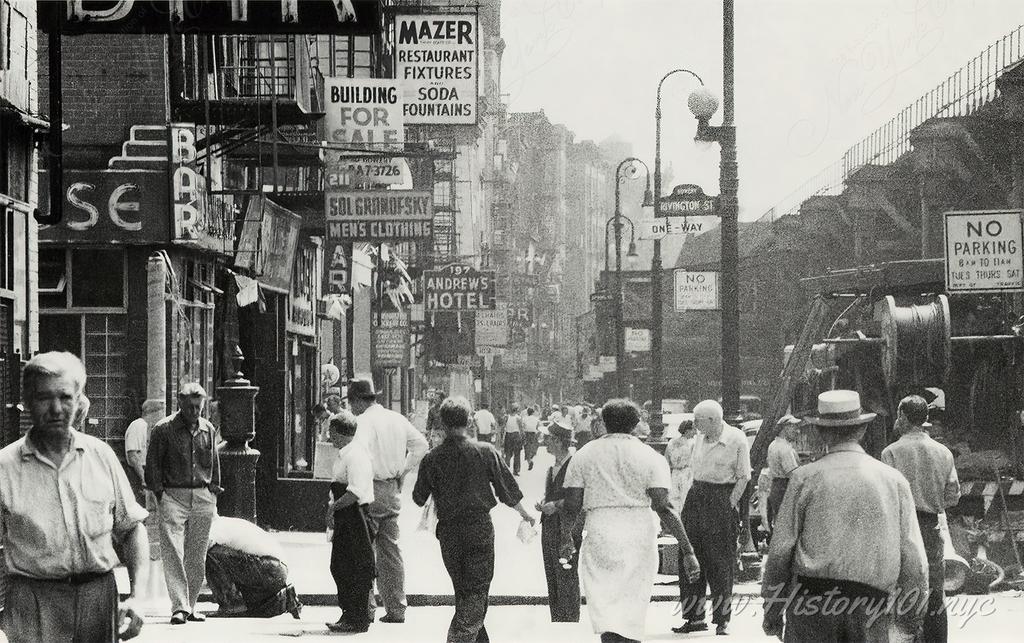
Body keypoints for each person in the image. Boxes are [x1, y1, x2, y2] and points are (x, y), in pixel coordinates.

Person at [0, 351, 148, 642]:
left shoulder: (101, 456)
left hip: (99, 599)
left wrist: (138, 597)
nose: (56, 408)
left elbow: (131, 529)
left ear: (78, 400)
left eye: (65, 397)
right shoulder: (5, 467)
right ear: (28, 401)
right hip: (34, 605)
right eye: (44, 398)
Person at [762, 390, 928, 642]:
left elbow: (779, 554)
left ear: (820, 432)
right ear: (861, 431)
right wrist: (908, 621)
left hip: (811, 609)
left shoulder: (804, 479)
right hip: (871, 609)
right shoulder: (894, 481)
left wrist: (772, 612)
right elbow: (914, 560)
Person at [561, 399, 700, 643]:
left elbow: (572, 504)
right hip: (639, 531)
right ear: (636, 424)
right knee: (632, 610)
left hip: (600, 529)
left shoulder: (584, 455)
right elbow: (664, 506)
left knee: (605, 606)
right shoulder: (650, 456)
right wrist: (687, 550)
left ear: (603, 422)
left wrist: (566, 538)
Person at [413, 396, 536, 643]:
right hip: (479, 529)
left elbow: (418, 497)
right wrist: (525, 514)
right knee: (476, 589)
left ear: (442, 423)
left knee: (464, 590)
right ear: (469, 421)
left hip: (448, 532)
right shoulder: (486, 452)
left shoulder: (432, 458)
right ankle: (459, 638)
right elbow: (507, 491)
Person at [348, 378, 429, 624]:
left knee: (362, 552)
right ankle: (396, 607)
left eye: (351, 402)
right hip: (391, 489)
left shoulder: (360, 423)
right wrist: (403, 472)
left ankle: (366, 608)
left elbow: (356, 457)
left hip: (368, 488)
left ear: (358, 401)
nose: (351, 408)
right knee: (391, 551)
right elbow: (421, 445)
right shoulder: (396, 419)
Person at [881, 395, 960, 643]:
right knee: (935, 592)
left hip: (901, 527)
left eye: (897, 414)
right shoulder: (943, 452)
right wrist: (932, 501)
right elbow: (953, 496)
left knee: (900, 589)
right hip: (931, 526)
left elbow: (885, 497)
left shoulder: (891, 452)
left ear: (903, 417)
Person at [146, 382, 223, 625]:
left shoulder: (207, 429)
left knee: (197, 554)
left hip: (202, 495)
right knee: (173, 552)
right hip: (173, 495)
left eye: (198, 407)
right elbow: (153, 465)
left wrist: (213, 492)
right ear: (179, 403)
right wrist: (160, 494)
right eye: (189, 406)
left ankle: (191, 605)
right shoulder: (163, 429)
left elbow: (213, 461)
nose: (194, 412)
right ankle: (179, 606)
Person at [674, 399, 750, 636]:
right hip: (696, 496)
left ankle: (722, 619)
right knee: (688, 556)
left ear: (713, 420)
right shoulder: (698, 438)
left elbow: (744, 477)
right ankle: (694, 616)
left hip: (721, 496)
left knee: (721, 561)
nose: (694, 424)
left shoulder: (736, 438)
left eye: (698, 420)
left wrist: (729, 504)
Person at [325, 410, 376, 634]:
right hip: (347, 514)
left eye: (332, 431)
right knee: (341, 565)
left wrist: (333, 508)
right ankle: (349, 612)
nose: (330, 436)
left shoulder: (355, 455)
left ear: (340, 432)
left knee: (355, 565)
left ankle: (358, 616)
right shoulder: (346, 454)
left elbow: (354, 492)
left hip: (355, 514)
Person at [205, 515, 302, 619]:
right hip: (277, 570)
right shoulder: (227, 522)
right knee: (252, 608)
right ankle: (286, 599)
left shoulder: (214, 528)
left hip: (270, 567)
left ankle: (231, 605)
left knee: (210, 554)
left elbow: (197, 558)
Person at [535, 421, 581, 623]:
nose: (545, 443)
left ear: (559, 441)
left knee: (566, 575)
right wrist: (545, 503)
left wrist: (556, 505)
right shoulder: (552, 467)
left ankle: (569, 621)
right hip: (550, 525)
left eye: (549, 439)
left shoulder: (574, 466)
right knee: (552, 575)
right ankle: (558, 619)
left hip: (567, 528)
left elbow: (579, 499)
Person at [123, 399, 167, 601]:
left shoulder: (147, 428)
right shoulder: (139, 426)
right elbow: (133, 455)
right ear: (154, 411)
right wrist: (143, 480)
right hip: (136, 477)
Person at [765, 415, 802, 531]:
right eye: (794, 427)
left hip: (775, 487)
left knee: (779, 521)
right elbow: (793, 474)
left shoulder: (773, 445)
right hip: (785, 488)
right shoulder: (785, 449)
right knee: (789, 524)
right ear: (785, 428)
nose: (797, 431)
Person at [664, 419, 696, 513]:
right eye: (693, 429)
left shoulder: (671, 442)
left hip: (674, 472)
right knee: (685, 497)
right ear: (687, 431)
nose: (695, 432)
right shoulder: (692, 443)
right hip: (687, 472)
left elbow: (666, 459)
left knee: (674, 497)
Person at [502, 404, 524, 475]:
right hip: (516, 436)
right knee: (517, 454)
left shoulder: (506, 417)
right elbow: (521, 429)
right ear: (517, 410)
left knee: (508, 453)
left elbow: (503, 427)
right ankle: (516, 470)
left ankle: (505, 468)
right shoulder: (518, 418)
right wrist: (523, 437)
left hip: (508, 436)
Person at [522, 406, 541, 470]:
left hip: (526, 433)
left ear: (527, 412)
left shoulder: (524, 418)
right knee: (532, 445)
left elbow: (523, 426)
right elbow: (538, 426)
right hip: (533, 433)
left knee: (526, 447)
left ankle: (529, 460)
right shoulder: (536, 418)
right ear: (533, 412)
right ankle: (531, 456)